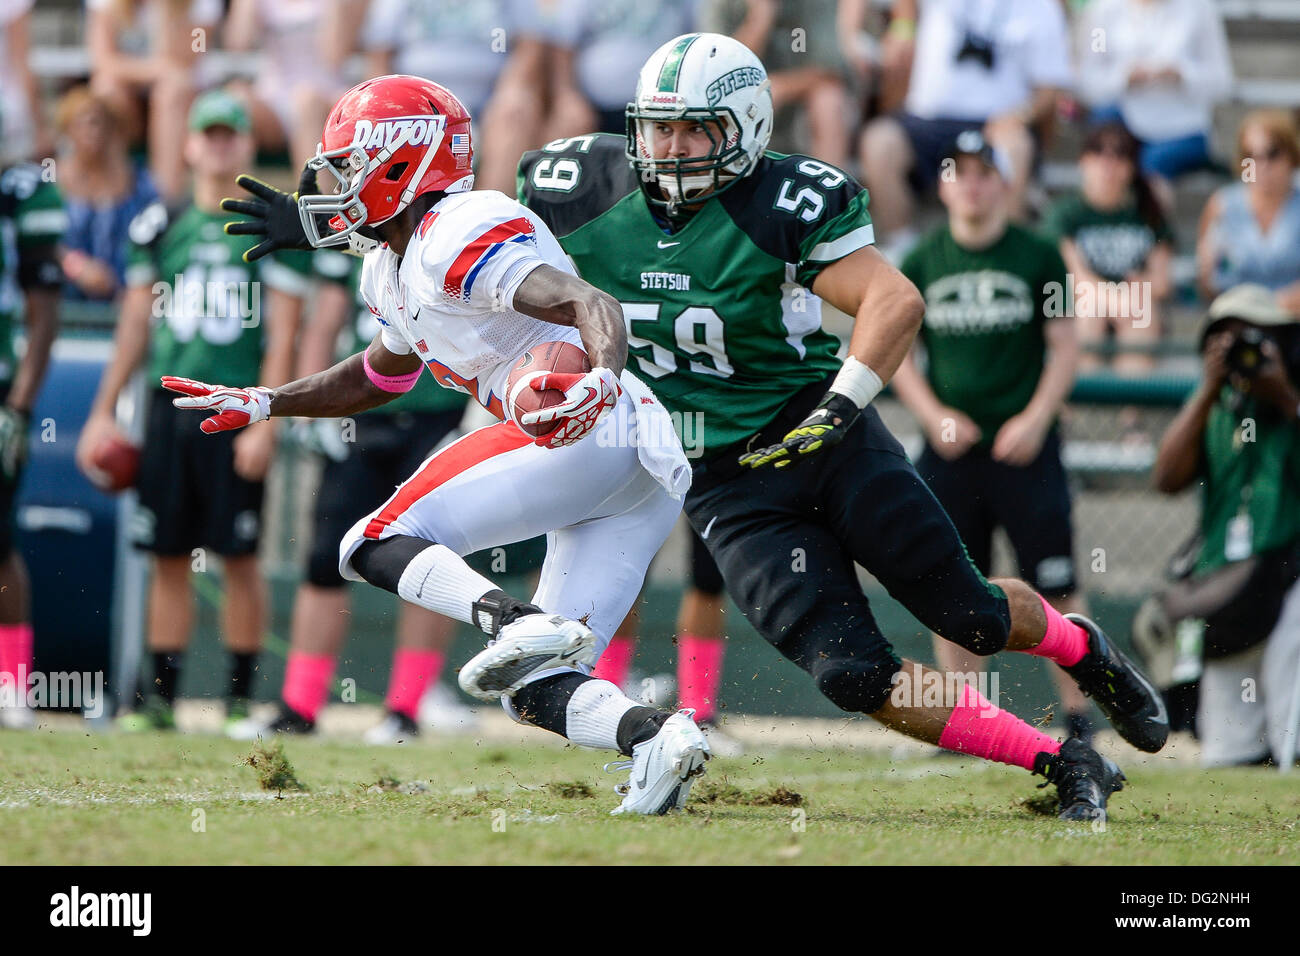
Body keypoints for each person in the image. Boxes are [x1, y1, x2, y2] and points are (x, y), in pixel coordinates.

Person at [518, 32, 1167, 821]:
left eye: (696, 130)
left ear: (748, 128)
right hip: (721, 481)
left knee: (972, 616)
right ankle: (1062, 760)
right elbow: (495, 283)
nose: (674, 148)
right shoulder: (574, 189)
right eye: (660, 128)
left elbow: (894, 301)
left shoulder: (782, 200)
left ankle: (1081, 647)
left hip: (825, 438)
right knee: (851, 674)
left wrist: (843, 402)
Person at [189, 75, 711, 815]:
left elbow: (585, 301)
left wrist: (598, 377)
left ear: (399, 165)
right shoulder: (391, 264)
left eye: (347, 167)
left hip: (587, 424)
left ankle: (516, 619)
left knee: (372, 540)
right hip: (627, 468)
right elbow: (379, 374)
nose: (333, 188)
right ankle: (656, 739)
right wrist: (272, 400)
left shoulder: (456, 229)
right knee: (535, 692)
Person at [74, 91, 310, 732]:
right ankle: (159, 698)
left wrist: (266, 417)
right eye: (207, 134)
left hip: (233, 403)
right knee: (167, 552)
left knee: (238, 556)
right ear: (187, 144)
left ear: (244, 145)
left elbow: (283, 333)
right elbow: (133, 326)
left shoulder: (267, 225)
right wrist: (103, 411)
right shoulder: (159, 222)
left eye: (229, 135)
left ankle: (239, 697)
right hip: (168, 405)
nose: (217, 145)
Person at [890, 129, 1095, 746]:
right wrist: (933, 417)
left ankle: (1079, 718)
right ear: (944, 186)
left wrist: (1034, 418)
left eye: (984, 172)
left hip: (1026, 450)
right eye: (960, 173)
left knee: (1055, 580)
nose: (972, 185)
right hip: (952, 451)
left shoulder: (1038, 255)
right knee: (949, 579)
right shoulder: (922, 259)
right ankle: (969, 719)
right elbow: (895, 354)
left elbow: (1065, 346)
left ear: (1003, 182)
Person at [228, 245, 472, 743]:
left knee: (430, 560)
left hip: (437, 411)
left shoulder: (447, 232)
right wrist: (313, 406)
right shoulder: (359, 241)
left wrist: (472, 412)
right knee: (325, 558)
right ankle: (300, 705)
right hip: (361, 412)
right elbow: (324, 323)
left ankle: (405, 709)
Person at [1152, 285, 1300, 767]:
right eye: (1226, 338)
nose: (1241, 348)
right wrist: (1208, 388)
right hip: (1225, 582)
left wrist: (1282, 395)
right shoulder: (1213, 408)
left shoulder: (1290, 399)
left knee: (1290, 717)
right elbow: (1166, 478)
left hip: (1290, 575)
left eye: (1254, 337)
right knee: (1227, 751)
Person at [859, 0, 1073, 248]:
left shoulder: (1040, 7)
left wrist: (1020, 115)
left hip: (998, 122)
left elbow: (1051, 87)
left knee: (1014, 148)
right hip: (926, 123)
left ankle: (1008, 255)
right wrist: (904, 26)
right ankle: (903, 251)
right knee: (879, 142)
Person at [0, 162, 65, 728]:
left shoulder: (23, 192)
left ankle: (11, 683)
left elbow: (45, 311)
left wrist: (19, 404)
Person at [594, 529, 743, 756]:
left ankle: (697, 715)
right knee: (626, 576)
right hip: (649, 492)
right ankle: (601, 708)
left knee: (709, 579)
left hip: (703, 493)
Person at [1042, 122, 1173, 376]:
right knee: (1088, 311)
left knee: (1142, 313)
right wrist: (1119, 301)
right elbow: (1075, 278)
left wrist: (1138, 288)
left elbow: (1161, 282)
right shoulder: (1064, 213)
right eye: (1098, 152)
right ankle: (1089, 407)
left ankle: (1129, 410)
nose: (1108, 164)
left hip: (1136, 304)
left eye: (1119, 155)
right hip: (1079, 301)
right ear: (1083, 161)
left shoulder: (1148, 213)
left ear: (1131, 167)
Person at [1074, 0, 1233, 186]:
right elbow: (1089, 76)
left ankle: (1149, 210)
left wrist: (1181, 74)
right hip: (1123, 118)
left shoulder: (1199, 9)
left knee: (1154, 166)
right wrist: (1124, 77)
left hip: (1181, 127)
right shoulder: (1104, 11)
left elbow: (1221, 80)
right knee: (1106, 154)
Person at [86, 0, 224, 201]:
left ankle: (165, 201)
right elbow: (102, 61)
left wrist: (165, 9)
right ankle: (109, 202)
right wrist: (153, 70)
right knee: (107, 89)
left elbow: (184, 63)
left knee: (171, 93)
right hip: (132, 103)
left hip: (184, 102)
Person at [55, 86, 161, 302]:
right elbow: (41, 245)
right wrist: (77, 267)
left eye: (97, 122)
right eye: (81, 124)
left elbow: (156, 237)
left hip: (126, 296)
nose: (91, 131)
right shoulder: (52, 183)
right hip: (66, 298)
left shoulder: (139, 184)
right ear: (68, 130)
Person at [1197, 110, 1300, 317]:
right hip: (1237, 319)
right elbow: (1209, 287)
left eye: (1272, 154)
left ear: (1291, 156)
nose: (1260, 165)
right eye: (1250, 155)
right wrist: (1206, 272)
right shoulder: (1222, 206)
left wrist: (1272, 307)